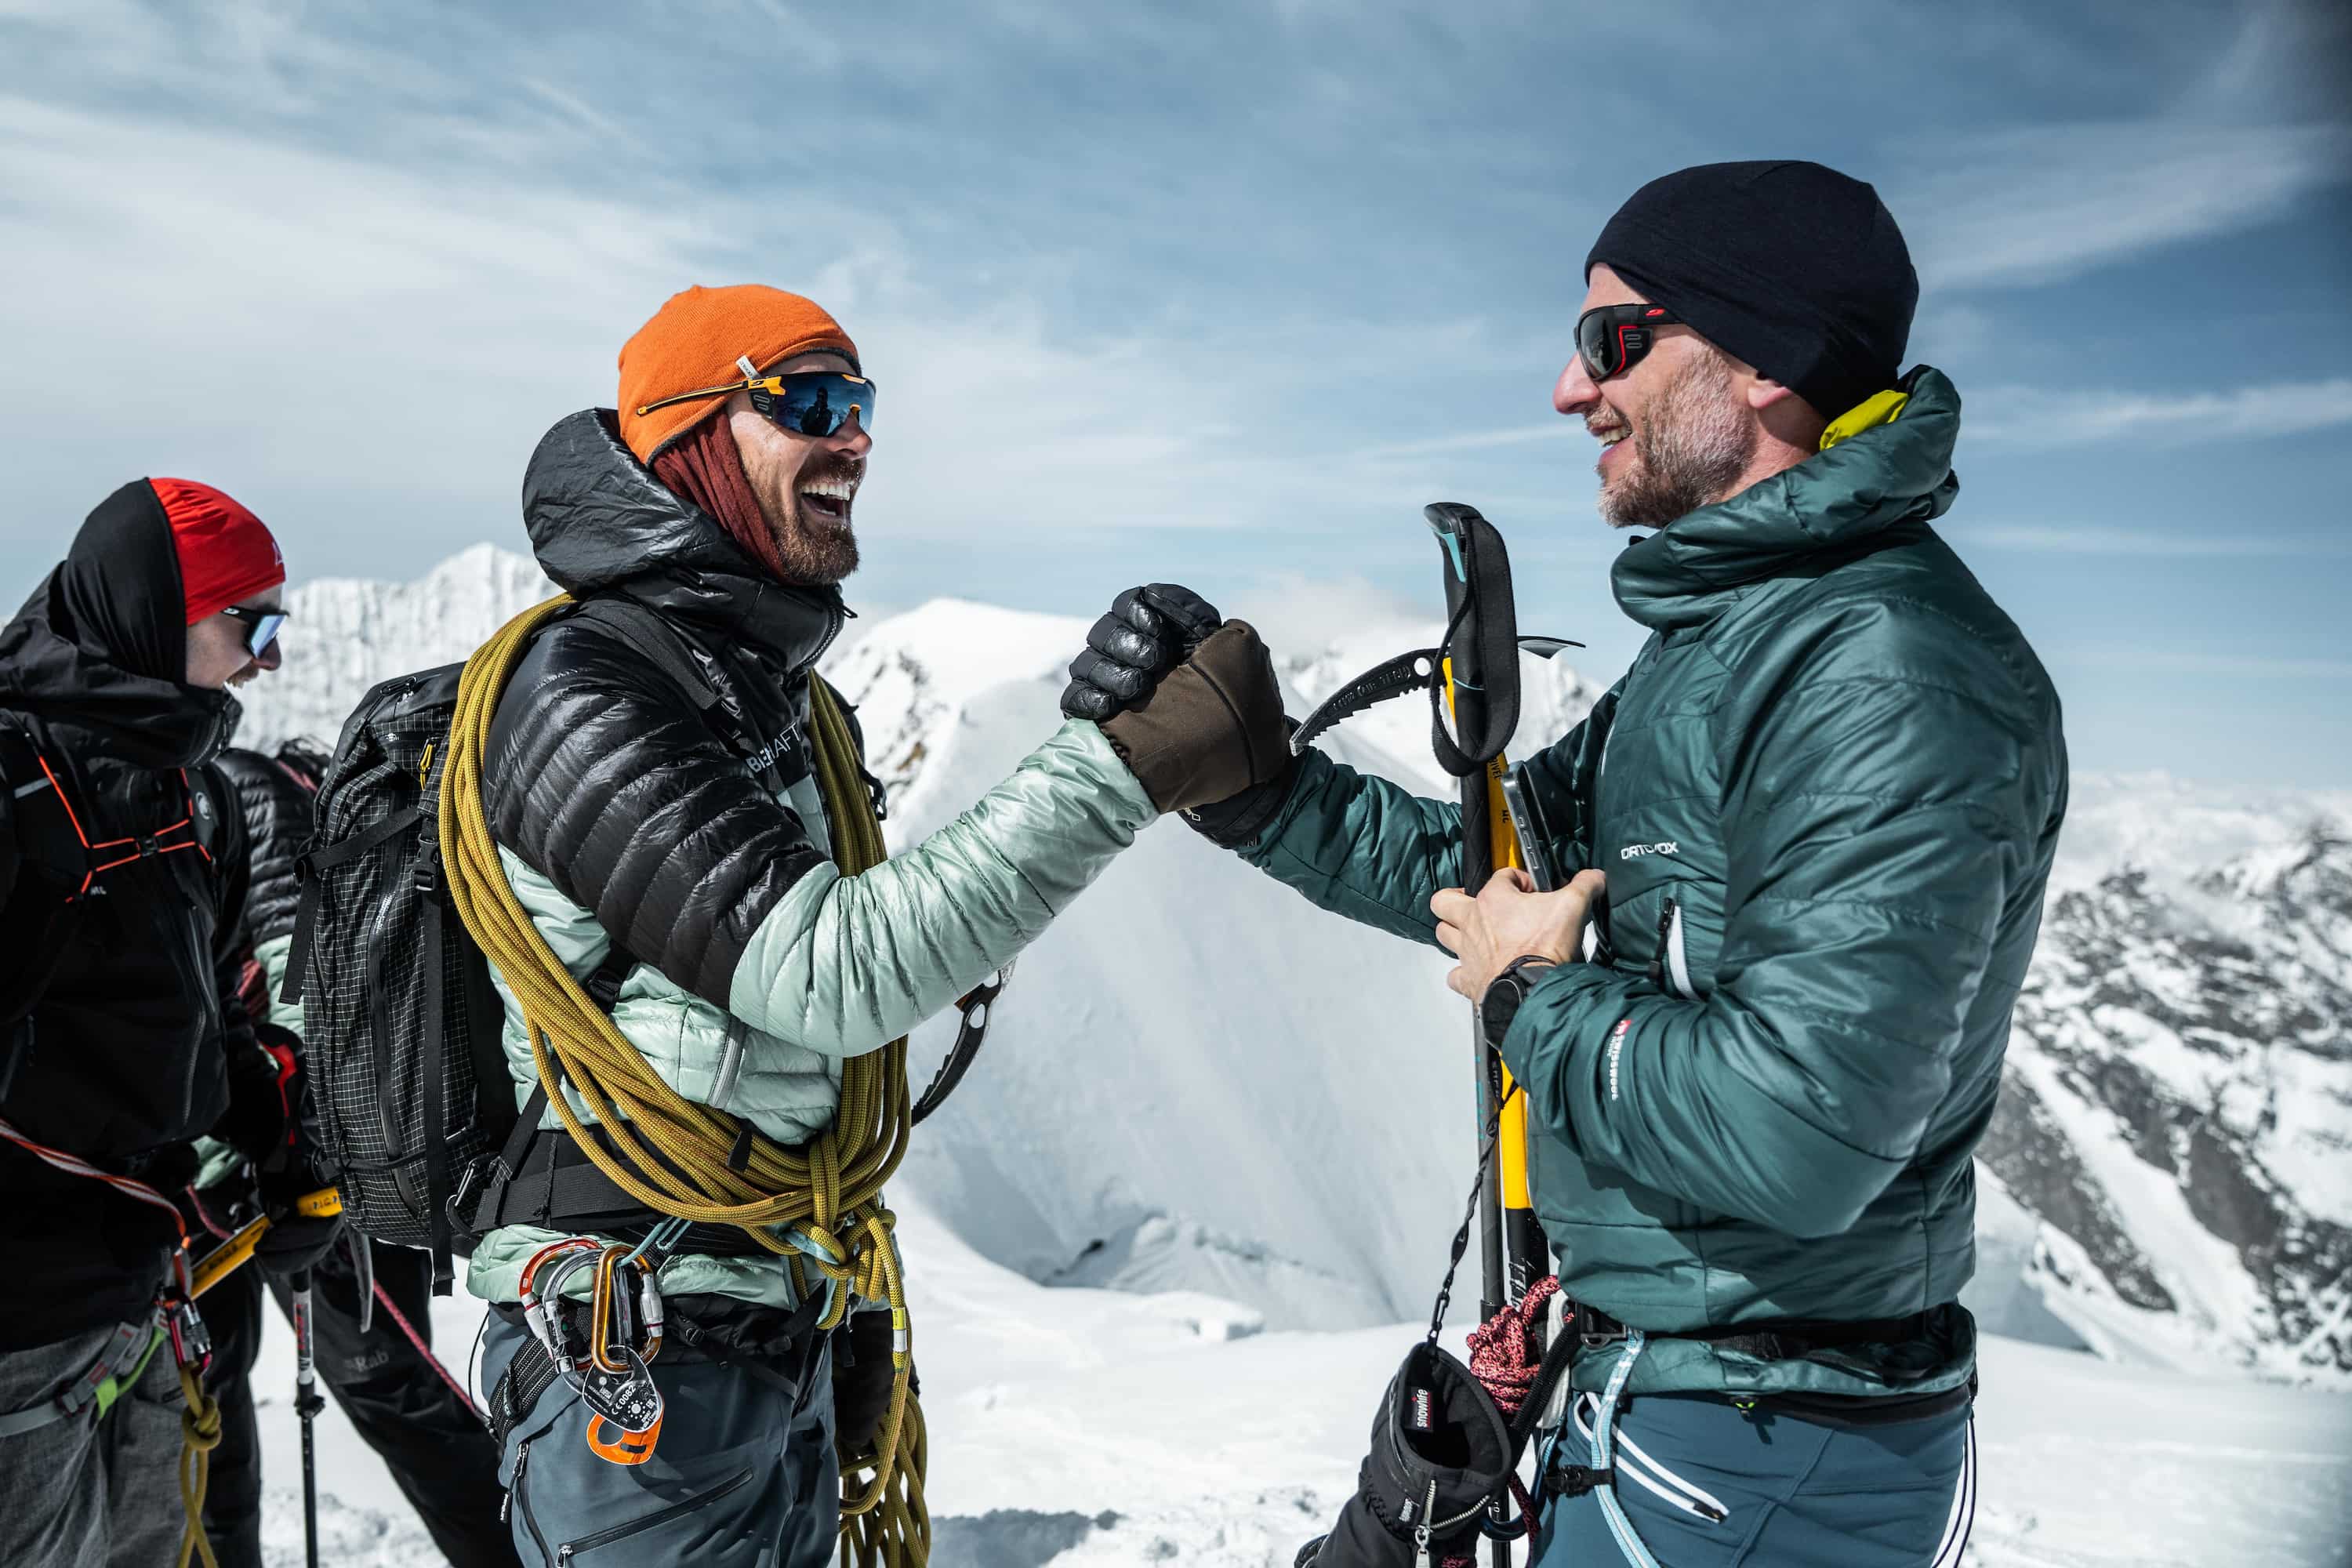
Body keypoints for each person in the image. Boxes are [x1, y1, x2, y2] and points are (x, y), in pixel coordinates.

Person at [1078, 162, 2067, 1566]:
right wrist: (1254, 787)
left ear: (1768, 360)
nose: (1568, 389)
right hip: (1690, 1415)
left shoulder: (1883, 674)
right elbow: (1500, 873)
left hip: (1761, 1455)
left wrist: (1532, 998)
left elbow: (1804, 1136)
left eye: (1614, 339)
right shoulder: (1736, 644)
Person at [466, 284, 1286, 1566]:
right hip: (634, 1349)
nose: (852, 437)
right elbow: (830, 971)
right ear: (692, 431)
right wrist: (1127, 762)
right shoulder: (583, 691)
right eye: (808, 401)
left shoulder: (767, 691)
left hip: (758, 1315)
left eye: (860, 404)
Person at [0, 478, 304, 1566]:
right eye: (251, 626)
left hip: (142, 1292)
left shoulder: (179, 789)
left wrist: (280, 1135)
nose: (270, 659)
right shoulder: (17, 781)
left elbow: (199, 1004)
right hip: (22, 1324)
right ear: (155, 613)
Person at [192, 739, 519, 1568]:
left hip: (305, 1161)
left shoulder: (244, 793)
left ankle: (519, 1552)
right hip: (203, 1176)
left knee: (390, 1385)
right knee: (201, 1411)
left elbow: (307, 977)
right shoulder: (143, 798)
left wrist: (303, 1148)